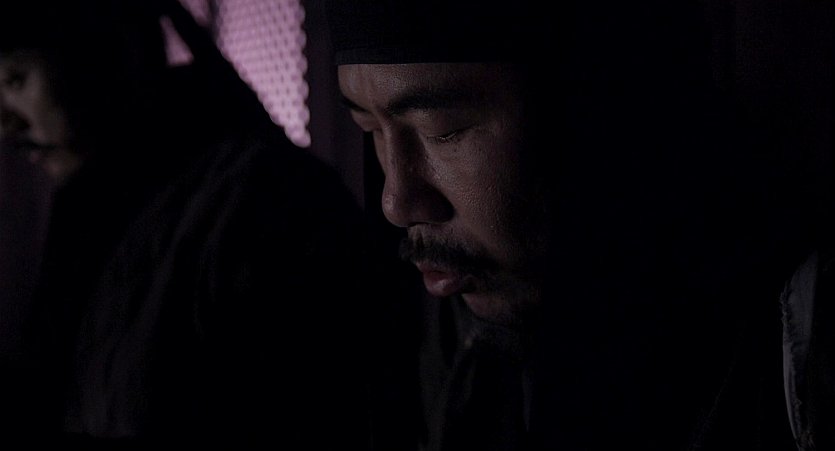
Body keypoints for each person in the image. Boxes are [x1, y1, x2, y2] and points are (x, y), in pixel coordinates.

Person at [324, 0, 803, 449]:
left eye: (442, 131)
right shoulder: (436, 336)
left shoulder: (795, 350)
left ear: (597, 110)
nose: (397, 203)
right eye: (371, 129)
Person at [0, 0, 382, 448]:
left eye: (16, 79)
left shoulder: (262, 204)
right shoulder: (96, 210)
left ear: (106, 53)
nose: (6, 125)